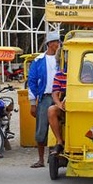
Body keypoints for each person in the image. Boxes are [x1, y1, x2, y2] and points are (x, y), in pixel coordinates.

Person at [27, 31, 60, 168]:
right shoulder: (38, 61)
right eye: (56, 42)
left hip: (60, 96)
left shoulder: (64, 59)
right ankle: (41, 159)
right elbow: (32, 82)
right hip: (45, 97)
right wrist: (33, 103)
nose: (58, 44)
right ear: (50, 44)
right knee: (41, 129)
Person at [48, 68, 67, 155]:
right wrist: (60, 105)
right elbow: (55, 93)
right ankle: (59, 141)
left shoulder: (86, 73)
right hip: (65, 105)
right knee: (52, 110)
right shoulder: (60, 74)